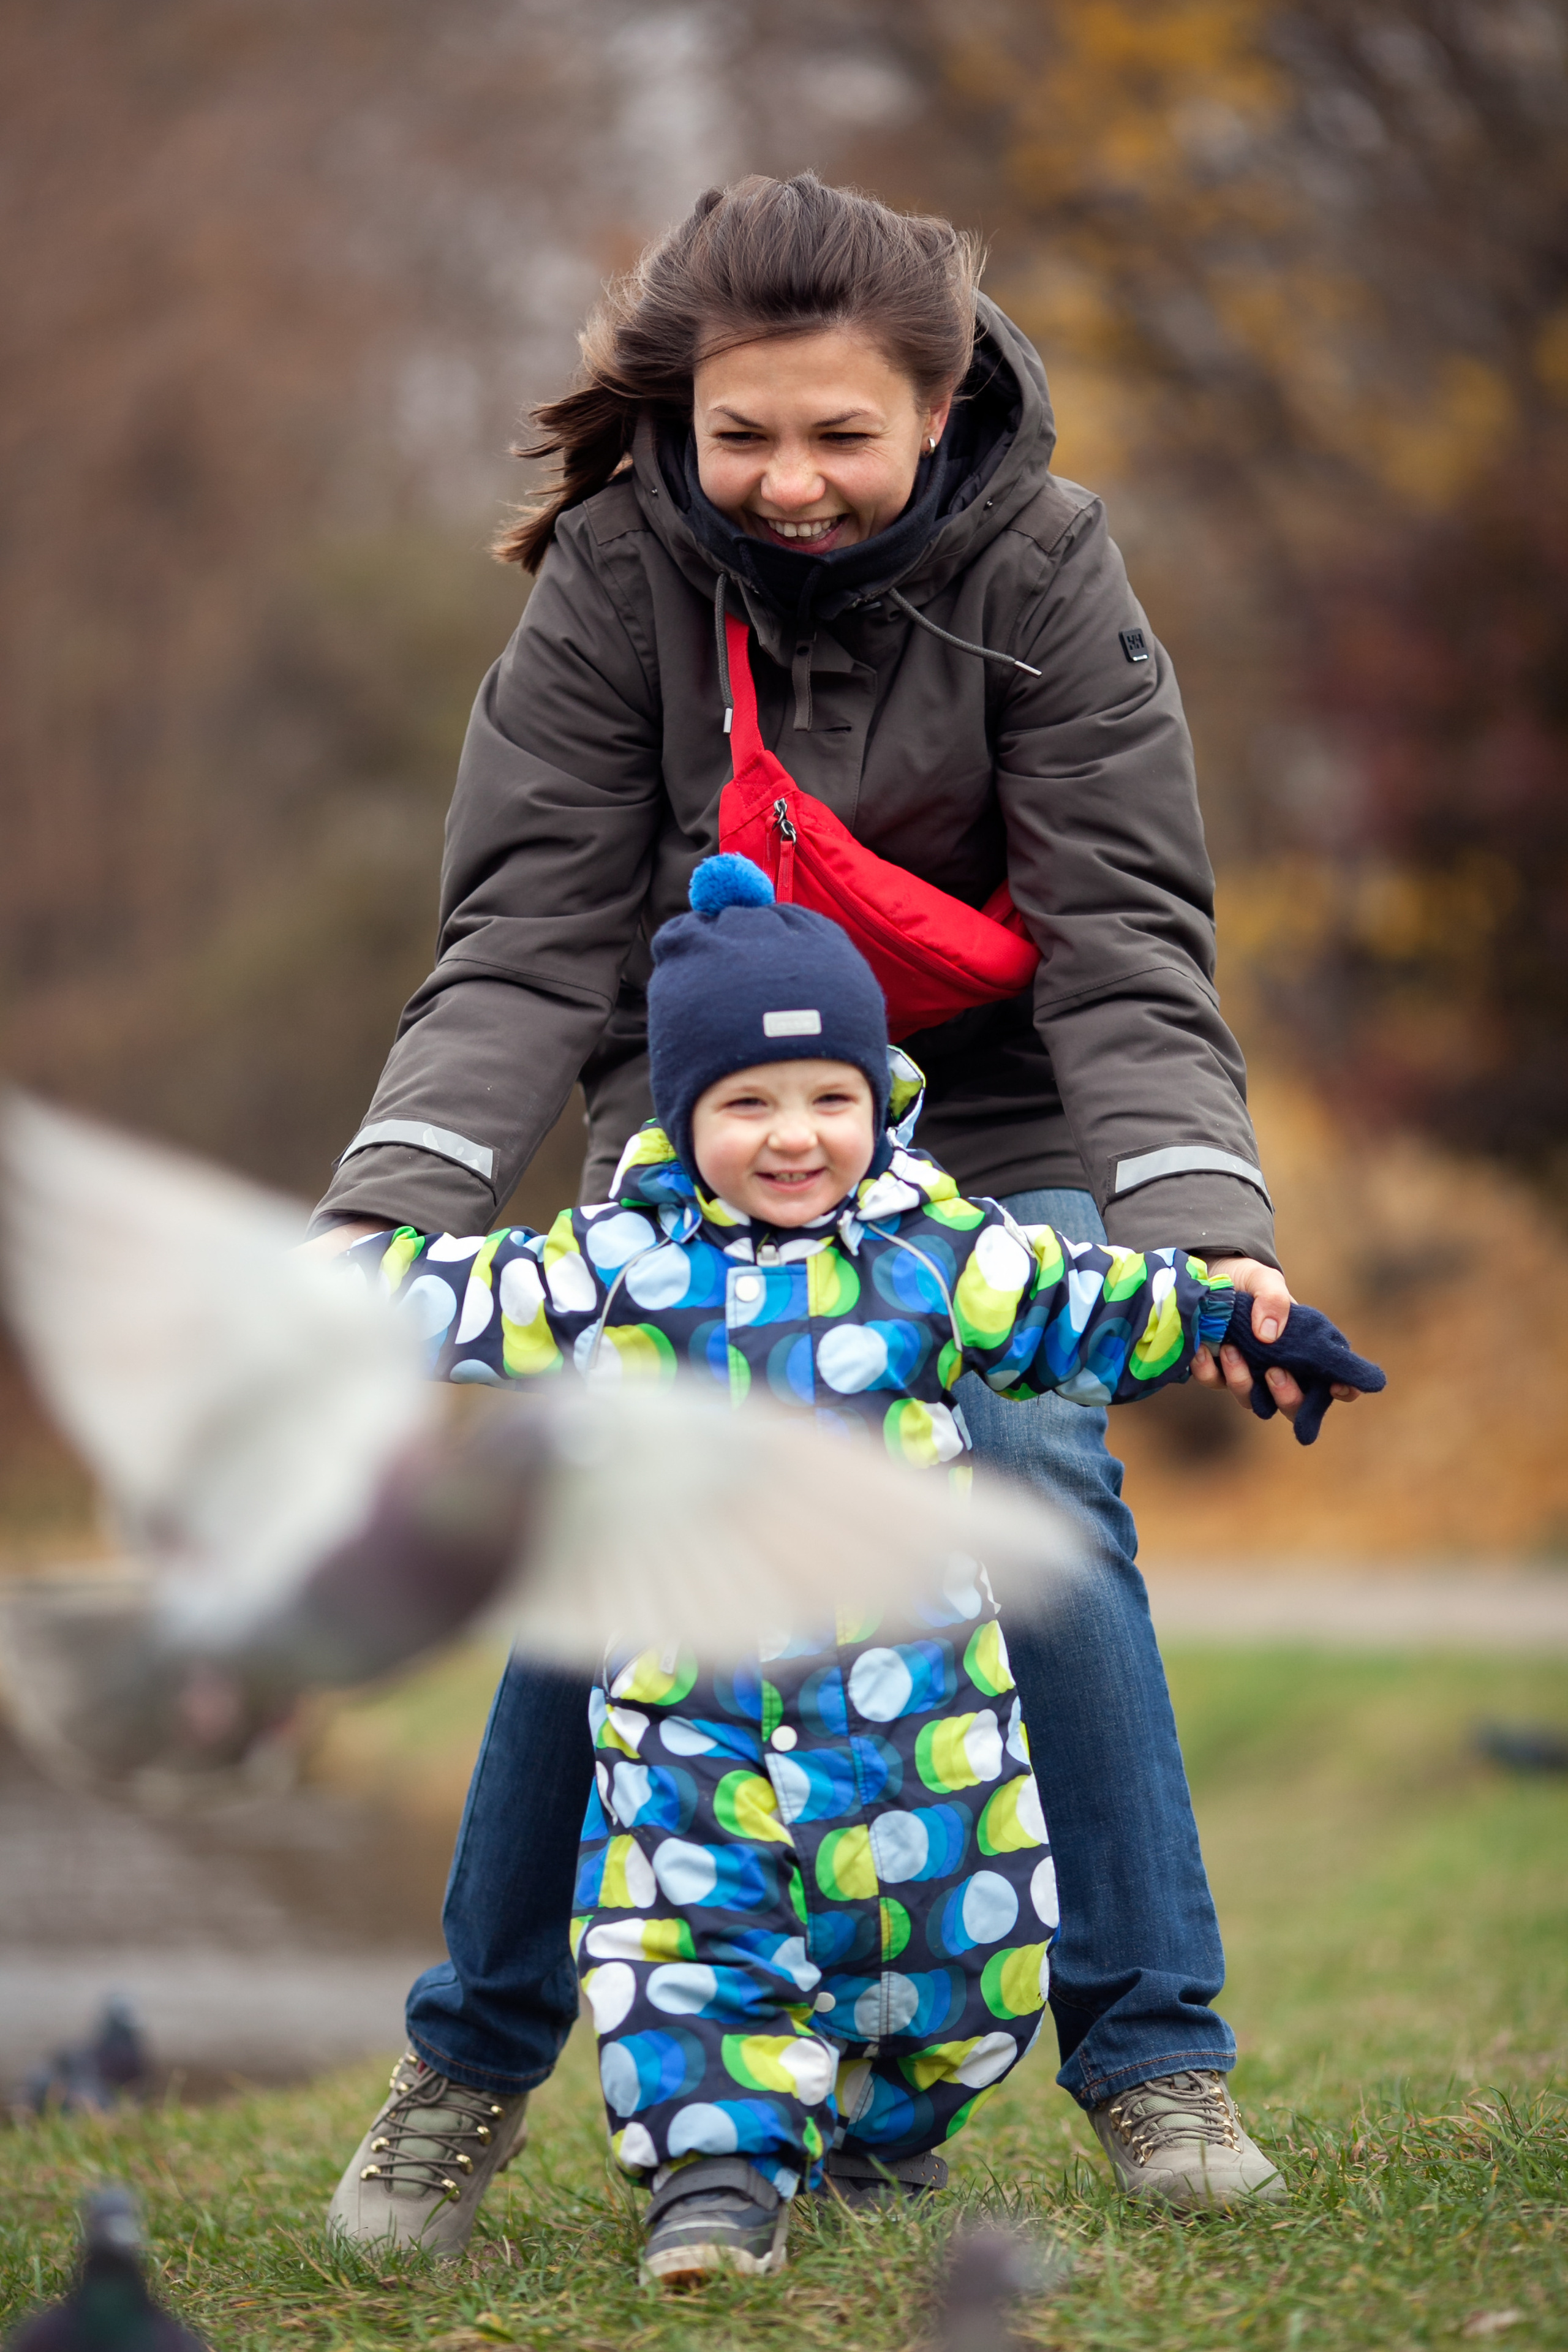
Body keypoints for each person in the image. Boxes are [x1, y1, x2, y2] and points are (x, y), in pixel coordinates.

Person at [306, 174, 1362, 2252]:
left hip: (995, 1107)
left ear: (941, 410)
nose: (789, 481)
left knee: (1034, 1467)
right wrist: (389, 1208)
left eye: (842, 435)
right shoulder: (614, 576)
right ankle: (468, 2061)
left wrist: (1195, 1227)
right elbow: (524, 941)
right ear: (680, 416)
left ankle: (1156, 2056)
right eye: (745, 434)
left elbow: (1129, 948)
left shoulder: (1049, 568)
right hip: (706, 1105)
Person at [331, 861, 1373, 2281]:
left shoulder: (938, 1252)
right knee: (694, 1947)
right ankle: (713, 2184)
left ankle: (878, 2147)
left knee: (951, 1957)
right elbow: (460, 1297)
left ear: (878, 1099)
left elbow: (1079, 1301)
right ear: (682, 1117)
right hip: (695, 1726)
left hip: (919, 1726)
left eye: (830, 1097)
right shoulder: (616, 1269)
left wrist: (1222, 1316)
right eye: (745, 1105)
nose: (792, 1137)